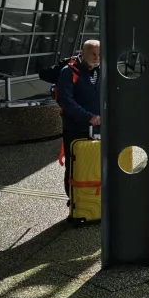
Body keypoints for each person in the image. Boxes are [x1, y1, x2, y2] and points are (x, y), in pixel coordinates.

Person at [56, 40, 101, 195]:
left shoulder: (100, 71)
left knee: (96, 162)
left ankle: (93, 199)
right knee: (75, 164)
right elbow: (66, 102)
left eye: (99, 54)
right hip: (75, 128)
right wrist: (89, 117)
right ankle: (74, 201)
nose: (97, 57)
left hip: (97, 127)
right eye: (93, 53)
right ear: (83, 52)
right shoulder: (68, 72)